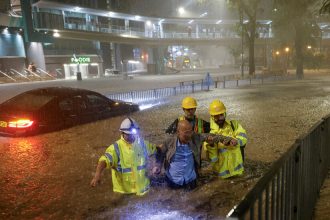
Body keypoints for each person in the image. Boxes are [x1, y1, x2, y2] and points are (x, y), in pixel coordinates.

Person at [154, 120, 236, 190]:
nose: (189, 135)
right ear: (178, 132)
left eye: (191, 131)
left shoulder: (195, 137)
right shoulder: (169, 141)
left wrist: (228, 140)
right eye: (186, 133)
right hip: (173, 181)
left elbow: (213, 136)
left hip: (191, 181)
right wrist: (157, 165)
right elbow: (160, 152)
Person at [90, 117, 156, 196]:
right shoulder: (115, 148)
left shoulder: (142, 144)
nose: (131, 136)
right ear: (122, 133)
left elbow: (156, 150)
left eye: (133, 134)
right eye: (128, 134)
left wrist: (156, 165)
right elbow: (104, 160)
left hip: (144, 190)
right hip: (125, 193)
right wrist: (97, 175)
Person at [206, 99, 247, 179]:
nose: (220, 118)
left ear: (225, 113)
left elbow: (244, 138)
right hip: (223, 176)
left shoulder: (234, 125)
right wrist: (211, 145)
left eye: (221, 115)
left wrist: (236, 141)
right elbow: (213, 160)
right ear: (212, 117)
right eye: (216, 116)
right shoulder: (211, 134)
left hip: (239, 172)